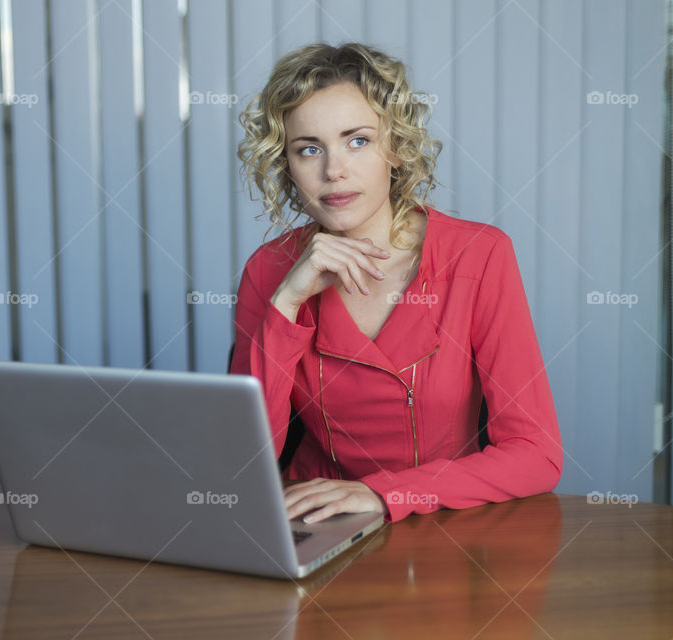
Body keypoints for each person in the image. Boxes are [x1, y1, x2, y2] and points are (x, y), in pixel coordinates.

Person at [230, 42, 562, 524]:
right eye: (309, 149)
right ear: (287, 167)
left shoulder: (479, 255)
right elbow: (241, 462)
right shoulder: (268, 269)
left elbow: (537, 454)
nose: (334, 170)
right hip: (311, 521)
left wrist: (382, 493)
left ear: (397, 149)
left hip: (443, 523)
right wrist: (288, 300)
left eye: (358, 140)